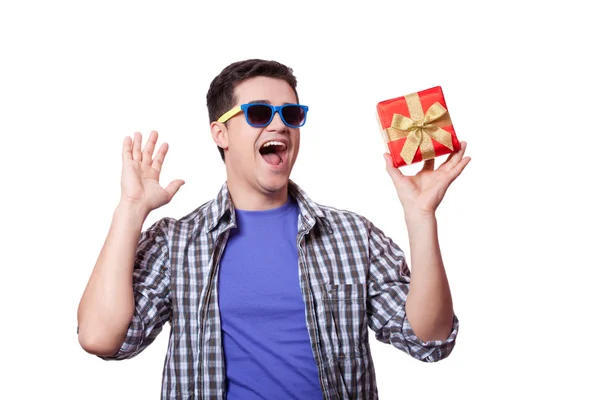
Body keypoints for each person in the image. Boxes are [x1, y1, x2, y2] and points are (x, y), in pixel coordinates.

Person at [77, 59, 470, 400]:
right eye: (260, 113)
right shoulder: (176, 243)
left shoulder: (353, 237)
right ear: (220, 133)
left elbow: (429, 339)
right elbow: (101, 337)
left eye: (291, 114)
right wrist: (130, 210)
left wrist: (421, 218)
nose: (279, 125)